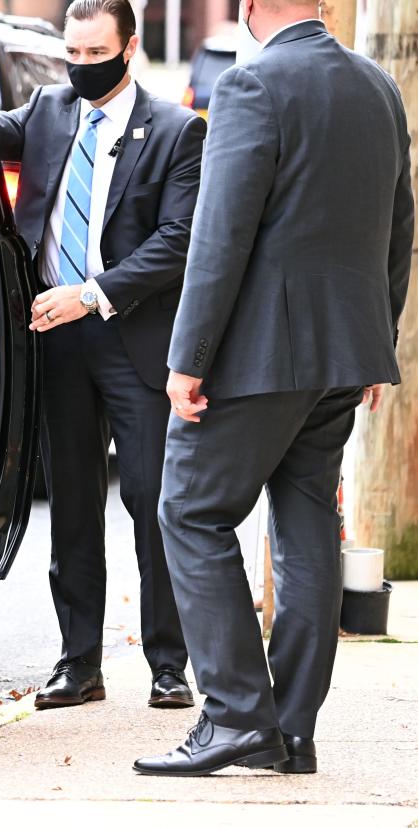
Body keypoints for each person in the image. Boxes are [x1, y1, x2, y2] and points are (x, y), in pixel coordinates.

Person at [134, 0, 412, 777]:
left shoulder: (250, 86)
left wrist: (187, 358)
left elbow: (220, 233)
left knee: (188, 511)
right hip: (340, 357)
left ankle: (235, 720)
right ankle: (291, 729)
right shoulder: (377, 87)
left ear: (253, 9)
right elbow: (400, 225)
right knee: (305, 528)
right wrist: (374, 346)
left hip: (258, 356)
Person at [0, 0, 205, 712]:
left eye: (95, 54)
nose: (82, 67)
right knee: (74, 506)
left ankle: (169, 665)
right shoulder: (50, 109)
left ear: (130, 48)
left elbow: (176, 240)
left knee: (151, 502)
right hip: (53, 340)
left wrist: (92, 295)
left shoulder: (177, 131)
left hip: (132, 338)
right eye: (74, 54)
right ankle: (78, 661)